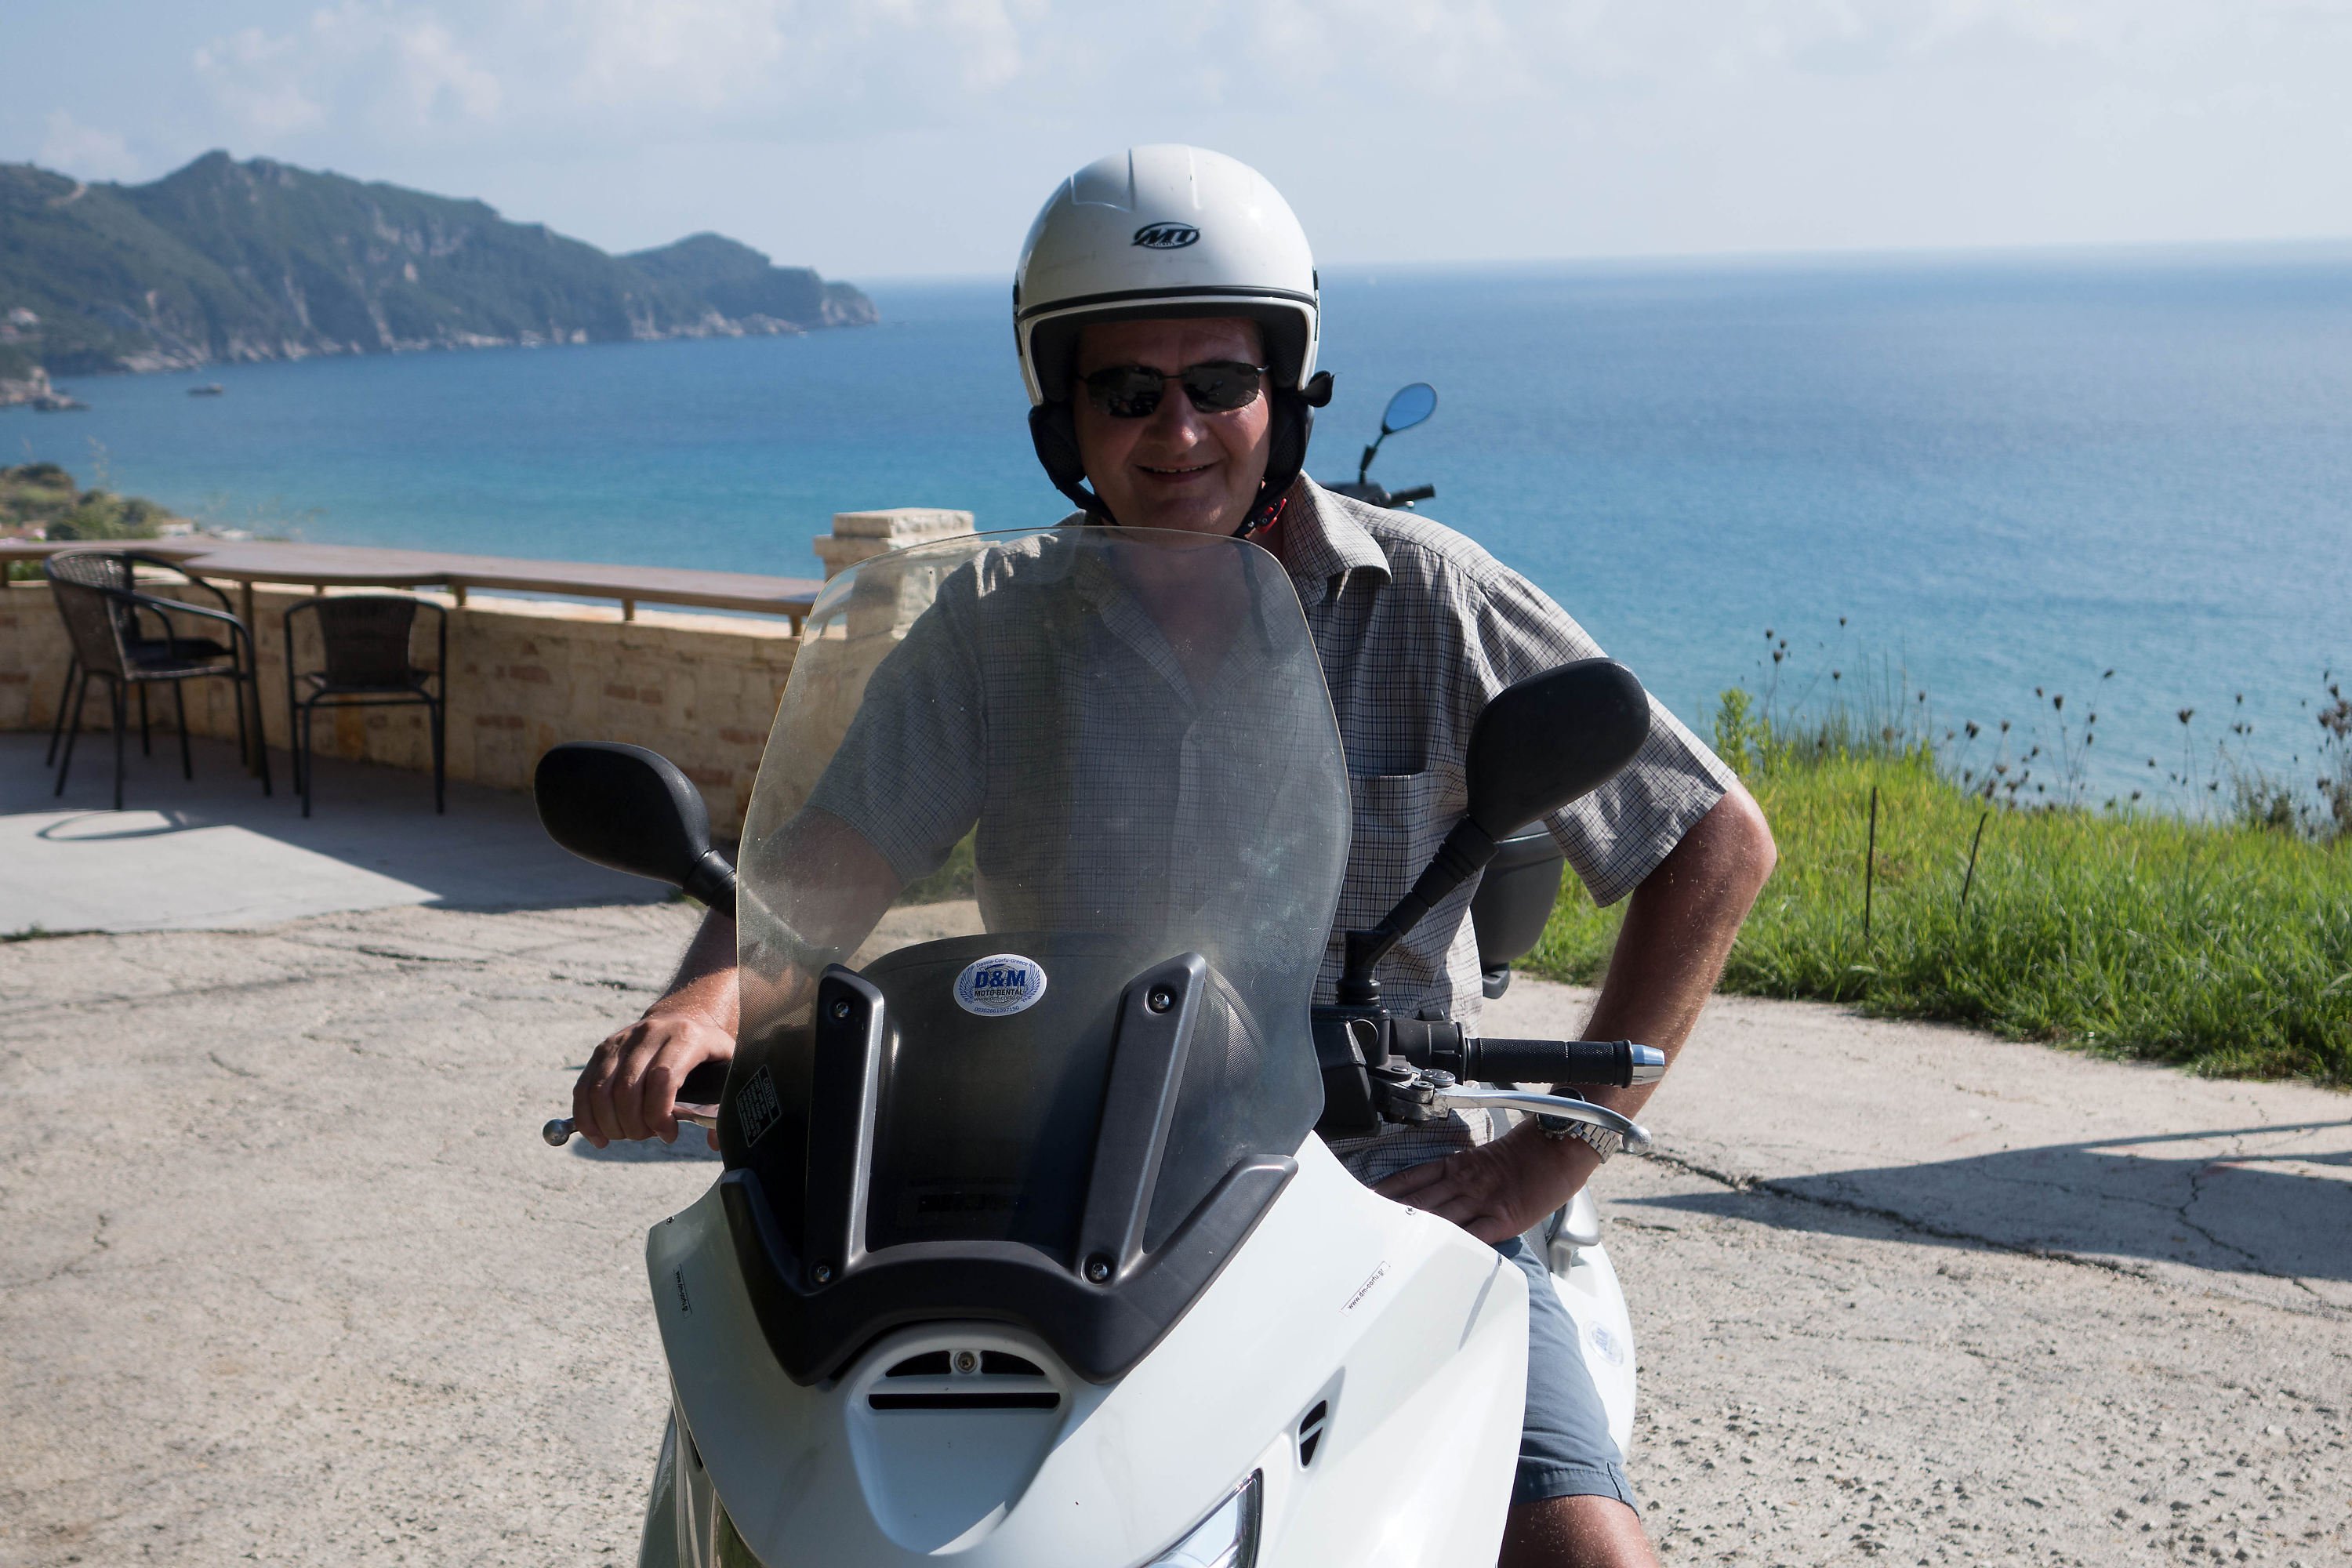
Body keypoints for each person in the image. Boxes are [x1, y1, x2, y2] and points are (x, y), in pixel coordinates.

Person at [571, 145, 1777, 1568]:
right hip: (1051, 1185)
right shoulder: (995, 628)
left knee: (1586, 1554)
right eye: (1130, 392)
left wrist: (1548, 1156)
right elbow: (826, 862)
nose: (1180, 429)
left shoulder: (1427, 595)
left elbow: (1713, 838)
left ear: (1284, 394)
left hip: (1376, 1183)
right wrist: (711, 997)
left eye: (1219, 382)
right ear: (1065, 419)